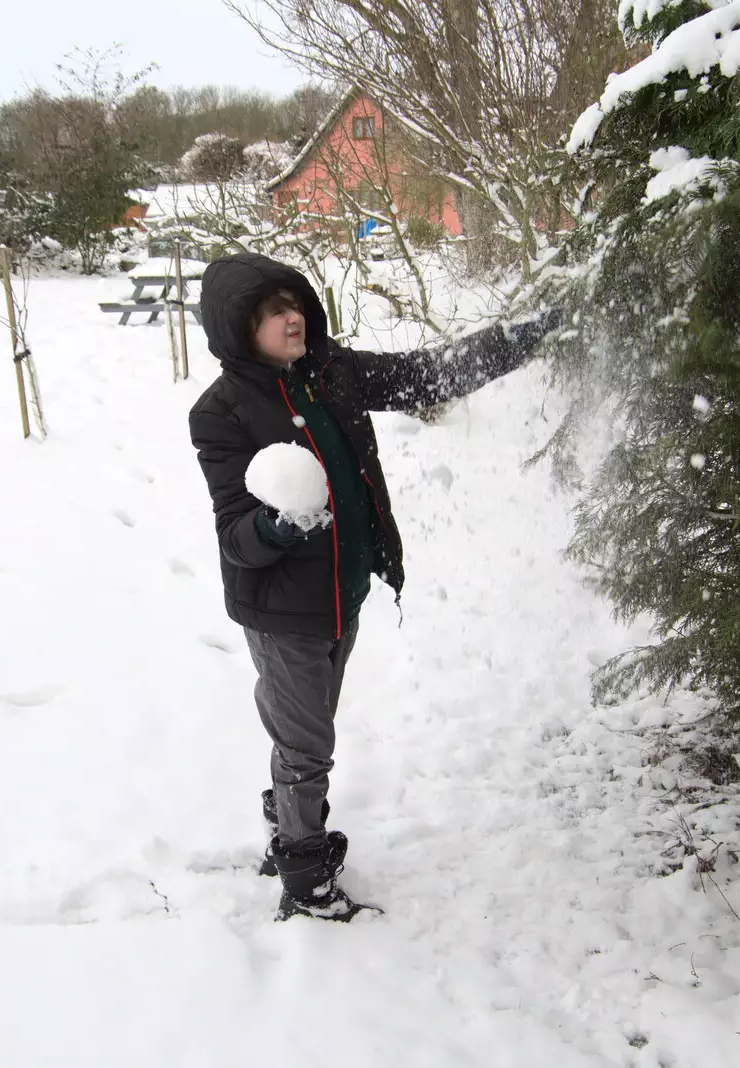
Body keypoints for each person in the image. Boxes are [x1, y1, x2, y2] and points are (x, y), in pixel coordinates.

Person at [188, 252, 558, 922]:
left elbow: (428, 374)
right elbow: (233, 533)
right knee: (308, 745)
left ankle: (285, 819)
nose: (290, 316)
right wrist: (278, 525)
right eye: (270, 311)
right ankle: (305, 879)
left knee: (307, 726)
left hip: (341, 594)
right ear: (236, 327)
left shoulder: (333, 373)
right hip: (283, 610)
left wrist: (526, 336)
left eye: (292, 301)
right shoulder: (222, 413)